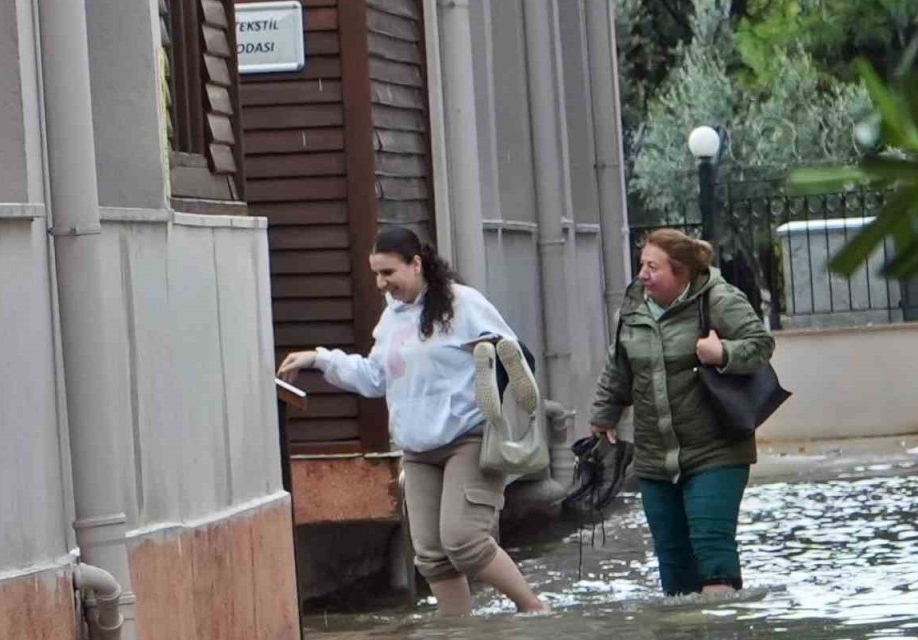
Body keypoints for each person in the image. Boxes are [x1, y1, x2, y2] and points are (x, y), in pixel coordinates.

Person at [276, 226, 549, 616]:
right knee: (432, 557)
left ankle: (534, 609)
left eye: (388, 272)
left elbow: (518, 360)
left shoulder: (464, 304)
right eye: (375, 273)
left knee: (465, 542)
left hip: (467, 439)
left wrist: (491, 364)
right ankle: (457, 631)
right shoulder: (392, 318)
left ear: (416, 263)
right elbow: (374, 378)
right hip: (418, 450)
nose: (380, 283)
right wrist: (320, 359)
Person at [589, 228, 774, 596]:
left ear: (682, 273)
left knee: (712, 554)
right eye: (642, 264)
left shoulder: (718, 299)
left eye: (653, 267)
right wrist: (603, 413)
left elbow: (761, 345)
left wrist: (723, 354)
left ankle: (724, 630)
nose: (643, 274)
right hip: (655, 458)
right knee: (673, 568)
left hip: (716, 450)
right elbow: (619, 366)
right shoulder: (633, 308)